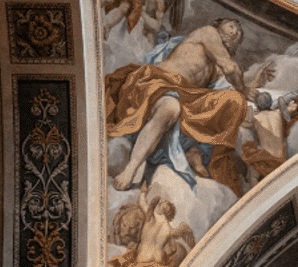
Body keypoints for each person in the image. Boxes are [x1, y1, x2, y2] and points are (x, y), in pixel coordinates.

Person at [105, 18, 273, 194]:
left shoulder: (216, 69)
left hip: (185, 94)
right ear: (218, 26)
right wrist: (244, 88)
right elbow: (231, 69)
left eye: (239, 33)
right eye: (232, 26)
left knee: (234, 101)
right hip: (158, 81)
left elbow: (230, 85)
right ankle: (131, 169)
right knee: (170, 107)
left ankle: (197, 152)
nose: (236, 32)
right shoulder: (209, 32)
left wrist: (252, 84)